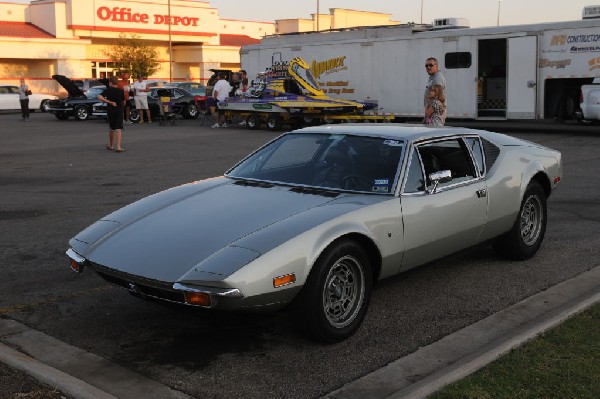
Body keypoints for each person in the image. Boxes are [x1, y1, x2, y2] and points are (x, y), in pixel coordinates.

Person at [97, 76, 126, 152]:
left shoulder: (108, 90)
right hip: (119, 110)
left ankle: (111, 145)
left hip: (111, 110)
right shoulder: (121, 90)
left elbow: (99, 97)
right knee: (119, 128)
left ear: (110, 82)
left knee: (112, 128)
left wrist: (109, 102)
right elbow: (124, 101)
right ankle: (118, 147)